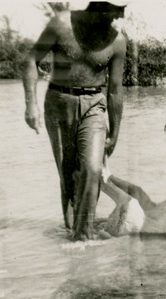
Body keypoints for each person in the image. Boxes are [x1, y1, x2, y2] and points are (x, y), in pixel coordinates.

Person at [22, 1, 128, 241]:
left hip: (94, 104)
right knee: (68, 175)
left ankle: (83, 234)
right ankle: (75, 235)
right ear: (99, 5)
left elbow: (115, 90)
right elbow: (31, 61)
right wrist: (31, 105)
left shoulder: (118, 41)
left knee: (92, 168)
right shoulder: (61, 24)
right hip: (59, 102)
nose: (121, 14)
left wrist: (115, 133)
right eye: (117, 8)